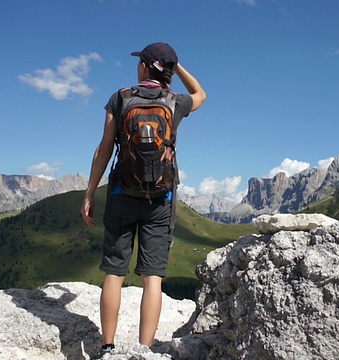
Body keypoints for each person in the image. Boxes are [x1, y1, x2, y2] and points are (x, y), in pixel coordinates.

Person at [80, 42, 206, 358]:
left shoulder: (120, 99)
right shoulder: (175, 101)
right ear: (169, 72)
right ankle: (144, 350)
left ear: (145, 66)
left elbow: (104, 148)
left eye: (141, 62)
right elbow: (202, 93)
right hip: (161, 199)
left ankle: (108, 347)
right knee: (153, 279)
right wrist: (176, 68)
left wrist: (90, 191)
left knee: (114, 272)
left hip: (122, 194)